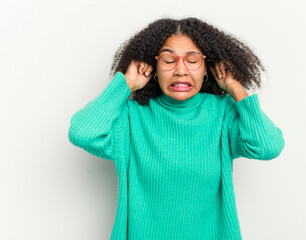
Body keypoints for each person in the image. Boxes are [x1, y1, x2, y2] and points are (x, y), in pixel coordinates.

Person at [68, 17, 285, 240]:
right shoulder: (132, 115)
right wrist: (126, 84)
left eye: (192, 61)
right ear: (154, 68)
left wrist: (235, 88)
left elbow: (268, 147)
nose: (181, 70)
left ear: (206, 68)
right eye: (168, 60)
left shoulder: (222, 114)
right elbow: (83, 133)